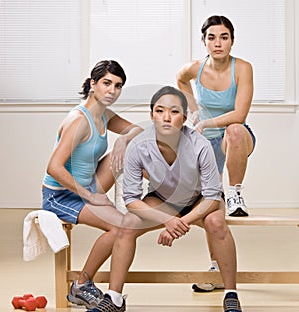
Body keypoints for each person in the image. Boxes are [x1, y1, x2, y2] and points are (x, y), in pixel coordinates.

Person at [87, 86, 242, 312]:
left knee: (216, 223)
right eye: (159, 111)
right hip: (163, 199)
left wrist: (180, 222)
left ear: (185, 117)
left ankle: (231, 293)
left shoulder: (200, 144)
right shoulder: (139, 146)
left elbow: (211, 194)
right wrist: (167, 219)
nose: (166, 117)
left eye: (174, 112)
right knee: (126, 224)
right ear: (152, 115)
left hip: (200, 199)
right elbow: (131, 199)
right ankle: (114, 298)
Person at [42, 60, 142, 309]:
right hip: (61, 195)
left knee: (129, 146)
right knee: (120, 228)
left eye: (118, 86)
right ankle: (82, 284)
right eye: (107, 83)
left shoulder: (104, 114)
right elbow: (53, 167)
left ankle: (149, 193)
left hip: (87, 188)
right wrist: (92, 196)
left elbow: (138, 130)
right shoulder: (79, 120)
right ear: (92, 84)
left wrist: (122, 141)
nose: (112, 91)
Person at [176, 15, 256, 292]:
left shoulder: (242, 68)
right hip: (205, 142)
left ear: (232, 41)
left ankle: (235, 191)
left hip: (235, 138)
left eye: (224, 37)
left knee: (234, 129)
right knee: (211, 205)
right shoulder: (195, 69)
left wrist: (205, 122)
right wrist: (193, 111)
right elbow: (180, 80)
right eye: (212, 37)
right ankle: (216, 268)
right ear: (204, 41)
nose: (218, 43)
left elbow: (240, 114)